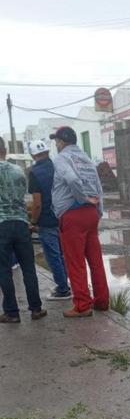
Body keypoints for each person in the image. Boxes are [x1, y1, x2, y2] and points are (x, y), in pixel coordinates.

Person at [50, 126, 109, 318]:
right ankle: (101, 301)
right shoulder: (86, 158)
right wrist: (97, 211)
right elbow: (98, 188)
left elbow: (72, 179)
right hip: (91, 214)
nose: (56, 144)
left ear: (62, 142)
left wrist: (82, 198)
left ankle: (82, 305)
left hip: (72, 214)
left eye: (57, 141)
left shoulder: (61, 158)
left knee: (75, 263)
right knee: (95, 260)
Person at [0, 136, 46, 323]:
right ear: (4, 149)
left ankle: (12, 312)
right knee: (28, 268)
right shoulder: (18, 170)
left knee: (4, 270)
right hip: (20, 223)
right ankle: (36, 309)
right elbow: (22, 197)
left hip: (1, 225)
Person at [28, 139, 70, 300]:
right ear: (47, 152)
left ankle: (63, 289)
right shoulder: (57, 167)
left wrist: (33, 221)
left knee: (53, 255)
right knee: (62, 254)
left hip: (46, 220)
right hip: (62, 216)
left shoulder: (34, 173)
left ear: (33, 155)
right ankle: (65, 283)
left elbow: (37, 203)